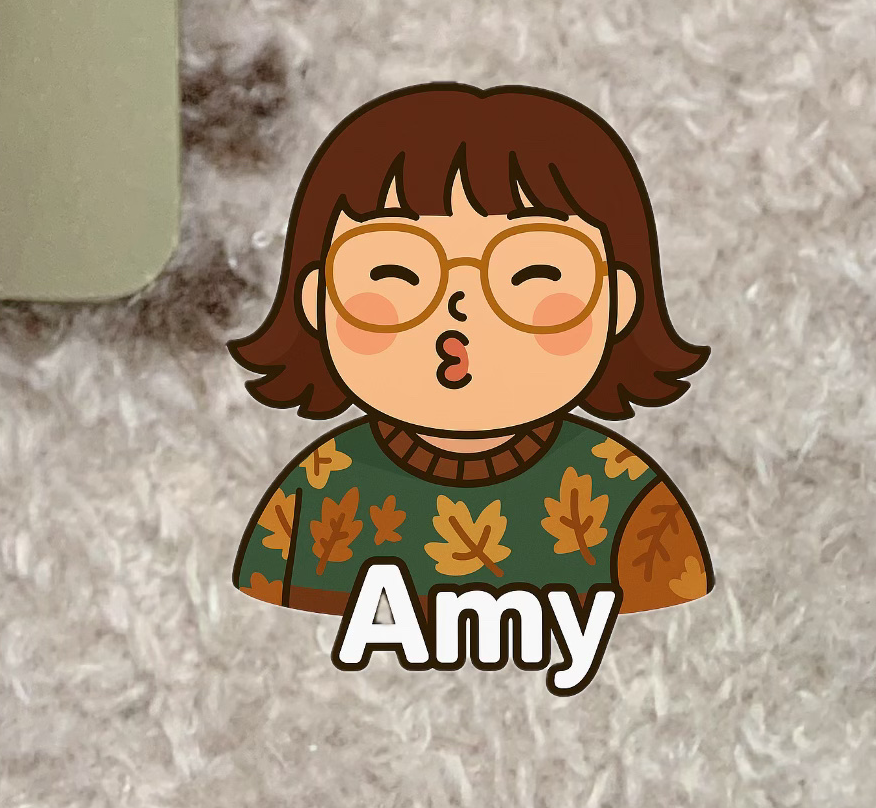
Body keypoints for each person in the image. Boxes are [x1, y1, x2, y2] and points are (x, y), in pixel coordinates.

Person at [228, 80, 711, 621]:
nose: (460, 308)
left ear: (618, 301)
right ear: (316, 300)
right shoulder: (318, 493)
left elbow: (683, 623)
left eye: (531, 273)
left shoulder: (628, 500)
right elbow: (268, 628)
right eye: (396, 272)